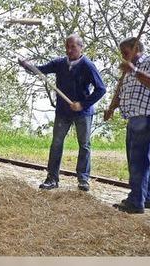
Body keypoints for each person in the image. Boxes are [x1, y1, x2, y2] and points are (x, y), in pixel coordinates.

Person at [19, 34, 106, 191]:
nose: (69, 50)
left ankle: (83, 179)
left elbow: (101, 89)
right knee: (56, 143)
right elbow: (40, 70)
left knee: (84, 144)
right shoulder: (59, 63)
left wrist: (82, 104)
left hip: (83, 113)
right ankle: (52, 178)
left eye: (73, 46)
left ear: (81, 47)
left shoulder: (88, 66)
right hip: (63, 111)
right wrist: (26, 65)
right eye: (67, 46)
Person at [104, 37, 150, 214]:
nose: (124, 57)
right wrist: (111, 108)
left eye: (126, 53)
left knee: (138, 160)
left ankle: (135, 201)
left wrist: (133, 70)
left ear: (136, 48)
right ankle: (146, 198)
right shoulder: (127, 71)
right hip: (135, 118)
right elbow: (121, 92)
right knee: (138, 159)